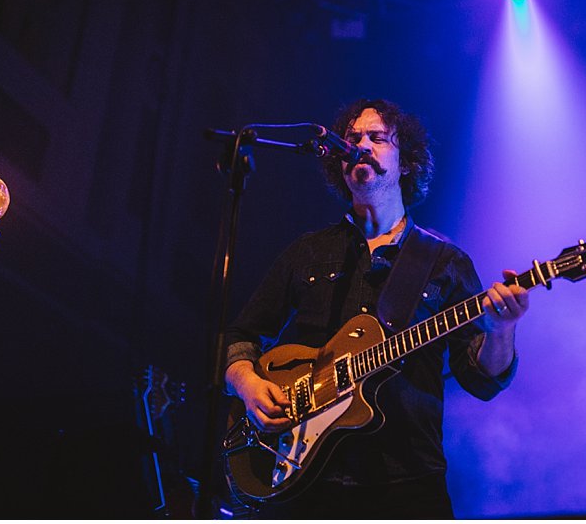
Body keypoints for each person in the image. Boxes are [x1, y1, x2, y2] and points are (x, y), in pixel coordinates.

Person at [223, 98, 529, 519]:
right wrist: (247, 384)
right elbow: (242, 335)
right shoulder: (308, 252)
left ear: (406, 163)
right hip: (305, 480)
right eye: (352, 139)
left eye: (378, 138)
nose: (361, 146)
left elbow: (481, 381)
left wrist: (502, 330)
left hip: (406, 481)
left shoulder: (444, 262)